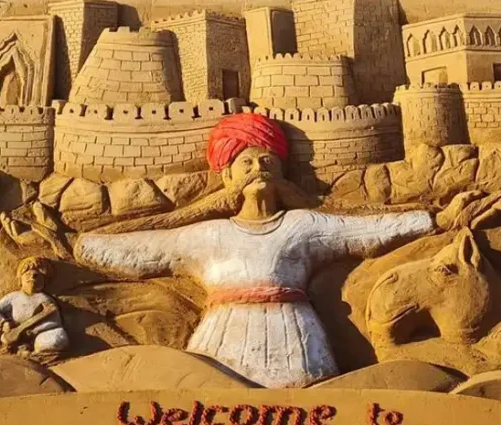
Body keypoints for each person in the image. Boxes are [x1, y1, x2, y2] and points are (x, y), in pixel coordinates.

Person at [71, 114, 435, 388]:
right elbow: (122, 248)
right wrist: (87, 244)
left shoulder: (302, 225)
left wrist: (434, 218)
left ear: (281, 174)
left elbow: (368, 230)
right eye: (246, 163)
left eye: (267, 162)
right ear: (227, 176)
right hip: (223, 335)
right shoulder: (207, 234)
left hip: (293, 333)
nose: (257, 169)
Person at [0, 256, 69, 355]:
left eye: (36, 275)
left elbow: (54, 322)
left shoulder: (45, 299)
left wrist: (33, 331)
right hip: (8, 332)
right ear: (20, 279)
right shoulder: (13, 297)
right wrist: (3, 323)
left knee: (56, 340)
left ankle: (31, 353)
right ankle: (2, 351)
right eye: (27, 274)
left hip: (35, 335)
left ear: (45, 281)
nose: (32, 278)